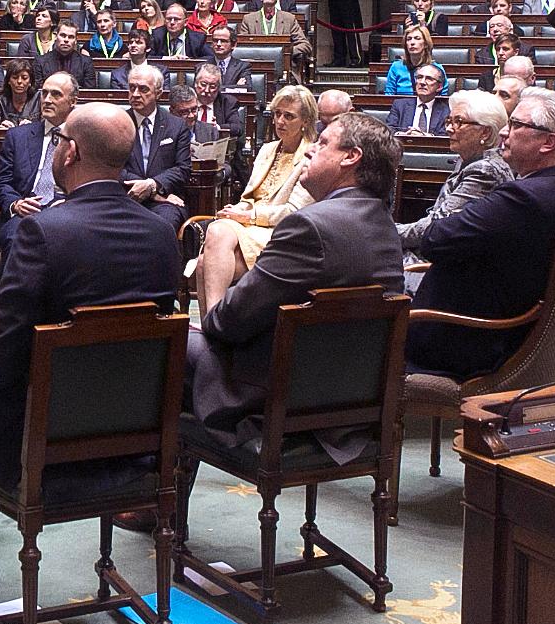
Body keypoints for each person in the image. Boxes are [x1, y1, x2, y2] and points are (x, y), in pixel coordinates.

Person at [0, 102, 179, 574]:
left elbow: (4, 368)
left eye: (61, 139)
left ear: (70, 152)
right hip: (134, 436)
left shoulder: (42, 232)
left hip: (47, 436)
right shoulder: (162, 233)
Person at [188, 112, 406, 464]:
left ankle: (153, 501)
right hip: (349, 399)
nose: (308, 152)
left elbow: (228, 323)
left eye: (321, 144)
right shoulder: (383, 223)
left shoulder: (308, 226)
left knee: (167, 346)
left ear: (350, 157)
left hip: (278, 400)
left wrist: (210, 315)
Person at [411, 90, 555, 379]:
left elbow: (434, 240)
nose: (504, 133)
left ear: (549, 142)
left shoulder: (523, 198)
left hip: (463, 343)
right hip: (496, 330)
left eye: (517, 125)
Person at [195, 85, 319, 277]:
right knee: (211, 243)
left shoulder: (312, 157)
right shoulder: (267, 150)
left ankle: (214, 309)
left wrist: (250, 215)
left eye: (289, 116)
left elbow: (294, 212)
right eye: (277, 114)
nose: (280, 121)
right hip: (250, 225)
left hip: (279, 230)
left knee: (208, 257)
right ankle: (215, 309)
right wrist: (237, 210)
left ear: (306, 120)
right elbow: (250, 197)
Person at [397, 91, 514, 254]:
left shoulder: (485, 170)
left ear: (485, 132)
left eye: (458, 122)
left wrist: (386, 234)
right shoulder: (469, 160)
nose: (449, 129)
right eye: (449, 121)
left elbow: (438, 226)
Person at [0, 73, 80, 254]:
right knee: (16, 237)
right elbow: (1, 182)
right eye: (44, 93)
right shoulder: (18, 136)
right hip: (25, 213)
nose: (47, 100)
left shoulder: (84, 138)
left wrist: (67, 203)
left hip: (68, 212)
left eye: (56, 94)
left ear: (73, 101)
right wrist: (15, 204)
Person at [120, 64, 193, 231]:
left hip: (166, 200)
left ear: (158, 93)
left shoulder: (176, 126)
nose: (136, 94)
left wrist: (153, 185)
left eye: (143, 89)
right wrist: (147, 188)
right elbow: (110, 166)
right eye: (132, 88)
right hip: (125, 197)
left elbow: (183, 169)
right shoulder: (117, 122)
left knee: (162, 227)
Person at [387, 64, 450, 136]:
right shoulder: (399, 105)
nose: (422, 82)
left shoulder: (446, 111)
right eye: (419, 77)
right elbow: (389, 129)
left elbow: (445, 136)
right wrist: (403, 134)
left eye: (429, 79)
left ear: (439, 87)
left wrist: (425, 136)